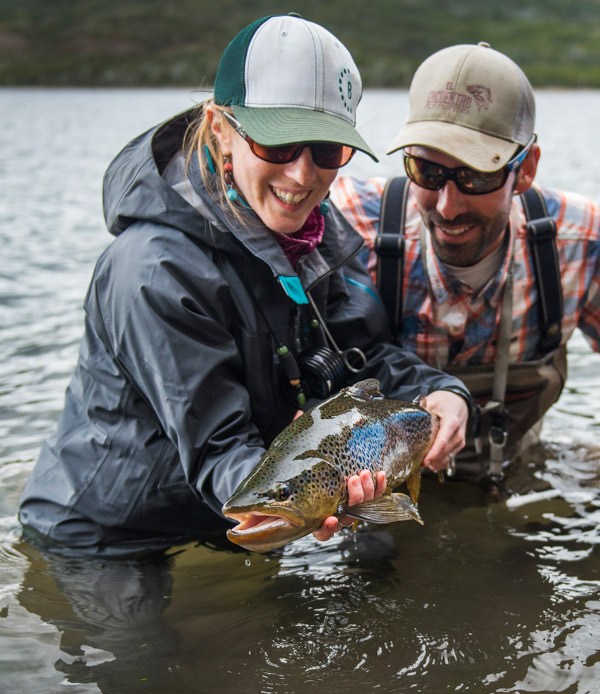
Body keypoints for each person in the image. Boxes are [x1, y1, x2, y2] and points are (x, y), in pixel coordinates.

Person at [18, 15, 470, 557]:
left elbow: (363, 357)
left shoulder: (317, 237)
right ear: (220, 129)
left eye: (326, 151)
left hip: (227, 516)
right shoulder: (151, 272)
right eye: (278, 146)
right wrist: (310, 498)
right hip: (105, 535)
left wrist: (443, 393)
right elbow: (218, 448)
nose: (303, 177)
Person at [331, 42, 600, 485]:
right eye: (427, 172)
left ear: (526, 168)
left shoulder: (581, 246)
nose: (448, 206)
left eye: (476, 176)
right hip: (377, 492)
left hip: (513, 472)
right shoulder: (348, 227)